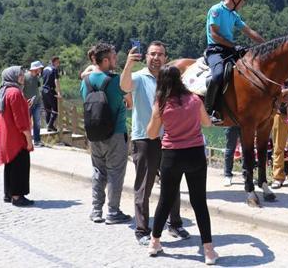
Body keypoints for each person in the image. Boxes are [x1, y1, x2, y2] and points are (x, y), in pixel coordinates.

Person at [146, 65, 217, 264]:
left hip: (171, 156)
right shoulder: (194, 100)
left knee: (165, 200)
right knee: (199, 202)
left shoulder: (161, 103)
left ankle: (154, 243)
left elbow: (152, 133)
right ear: (181, 80)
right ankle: (209, 251)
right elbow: (207, 123)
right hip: (195, 154)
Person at [120, 41, 189, 245]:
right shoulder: (140, 78)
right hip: (145, 139)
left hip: (169, 138)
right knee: (144, 185)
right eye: (152, 54)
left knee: (172, 183)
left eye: (160, 54)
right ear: (147, 56)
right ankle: (142, 230)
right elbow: (124, 86)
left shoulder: (170, 81)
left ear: (165, 58)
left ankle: (174, 223)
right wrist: (128, 64)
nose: (156, 58)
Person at [80, 43, 131, 225]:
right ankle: (113, 211)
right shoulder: (116, 80)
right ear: (106, 60)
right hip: (116, 133)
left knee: (98, 171)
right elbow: (129, 101)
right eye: (114, 57)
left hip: (94, 134)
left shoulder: (85, 82)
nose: (116, 60)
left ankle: (96, 210)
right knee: (115, 172)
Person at [204, 0, 265, 124]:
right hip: (216, 50)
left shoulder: (234, 15)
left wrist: (267, 44)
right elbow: (215, 35)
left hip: (230, 50)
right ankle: (209, 111)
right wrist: (234, 45)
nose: (242, 5)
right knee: (218, 75)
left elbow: (249, 31)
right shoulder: (216, 10)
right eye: (242, 1)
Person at [0, 66, 35, 207]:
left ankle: (9, 194)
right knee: (20, 166)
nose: (22, 77)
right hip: (17, 137)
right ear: (12, 77)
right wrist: (29, 140)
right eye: (19, 75)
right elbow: (21, 121)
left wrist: (25, 105)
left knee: (10, 166)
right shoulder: (15, 92)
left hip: (7, 136)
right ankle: (18, 197)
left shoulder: (4, 90)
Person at [24, 61, 45, 147]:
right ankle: (26, 140)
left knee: (37, 122)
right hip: (27, 104)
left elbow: (38, 88)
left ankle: (37, 141)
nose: (40, 70)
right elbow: (21, 90)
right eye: (39, 68)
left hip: (37, 103)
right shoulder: (25, 77)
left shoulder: (37, 77)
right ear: (35, 69)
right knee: (27, 122)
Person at [41, 56, 62, 132]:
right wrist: (59, 93)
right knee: (56, 108)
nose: (59, 64)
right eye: (58, 62)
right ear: (55, 61)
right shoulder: (54, 69)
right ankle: (50, 125)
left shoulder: (45, 69)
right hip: (50, 90)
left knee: (47, 109)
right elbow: (56, 81)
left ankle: (48, 126)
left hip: (43, 90)